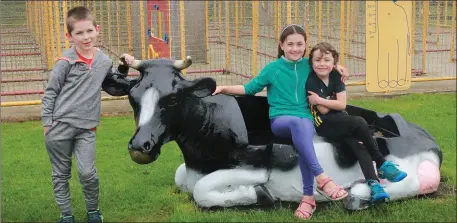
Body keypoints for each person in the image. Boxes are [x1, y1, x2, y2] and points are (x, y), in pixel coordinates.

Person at [212, 24, 349, 220]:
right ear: (281, 45)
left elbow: (326, 65)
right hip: (281, 120)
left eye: (300, 44)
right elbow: (250, 88)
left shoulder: (310, 66)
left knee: (303, 137)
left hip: (306, 119)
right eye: (290, 44)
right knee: (297, 125)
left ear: (305, 45)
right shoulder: (273, 69)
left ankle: (308, 199)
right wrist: (224, 88)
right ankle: (322, 178)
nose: (295, 49)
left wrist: (338, 67)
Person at [41, 6, 135, 223]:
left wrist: (123, 65)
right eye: (79, 33)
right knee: (61, 174)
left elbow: (114, 86)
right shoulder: (65, 62)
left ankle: (93, 211)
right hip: (59, 127)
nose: (85, 37)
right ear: (69, 36)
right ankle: (66, 215)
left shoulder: (103, 61)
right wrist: (48, 123)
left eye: (89, 31)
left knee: (87, 173)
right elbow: (51, 92)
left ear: (97, 30)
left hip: (87, 128)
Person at [305, 42, 408, 203]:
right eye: (317, 60)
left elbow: (342, 105)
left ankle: (374, 184)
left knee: (358, 144)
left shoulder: (336, 76)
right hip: (325, 125)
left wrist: (321, 100)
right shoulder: (311, 80)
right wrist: (331, 101)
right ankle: (381, 162)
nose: (322, 64)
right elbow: (324, 111)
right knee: (360, 121)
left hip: (342, 120)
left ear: (334, 63)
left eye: (326, 60)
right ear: (311, 62)